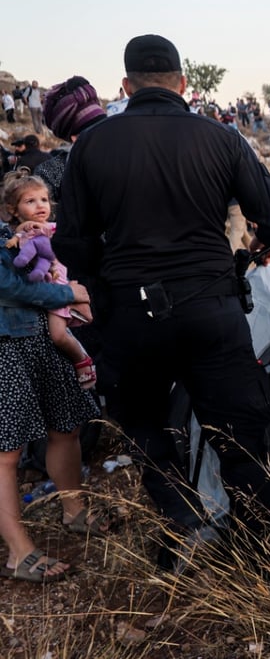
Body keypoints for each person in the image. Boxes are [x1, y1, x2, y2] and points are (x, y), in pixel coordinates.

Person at [53, 34, 270, 565]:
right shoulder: (221, 137)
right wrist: (262, 241)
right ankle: (260, 550)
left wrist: (105, 289)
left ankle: (182, 523)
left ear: (125, 86)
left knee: (147, 430)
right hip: (212, 310)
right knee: (241, 435)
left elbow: (72, 243)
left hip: (129, 318)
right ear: (184, 84)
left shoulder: (92, 145)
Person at [0, 216, 100, 582]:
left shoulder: (9, 225)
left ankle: (74, 510)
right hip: (5, 345)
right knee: (6, 453)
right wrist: (69, 293)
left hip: (39, 334)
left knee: (66, 425)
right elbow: (8, 287)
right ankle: (18, 552)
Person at [2, 171, 96, 389]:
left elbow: (48, 234)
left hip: (57, 290)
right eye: (31, 201)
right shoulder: (13, 235)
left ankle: (82, 361)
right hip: (39, 304)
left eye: (44, 200)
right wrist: (21, 231)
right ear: (13, 210)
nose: (40, 206)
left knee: (59, 335)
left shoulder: (54, 229)